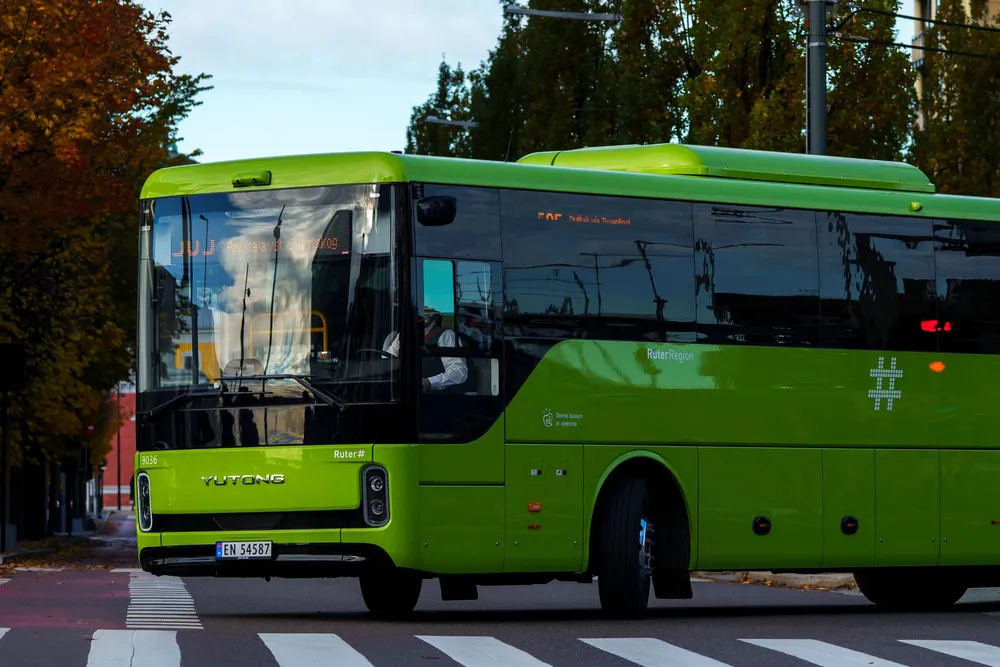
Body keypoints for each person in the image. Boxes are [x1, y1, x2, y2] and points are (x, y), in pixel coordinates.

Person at [382, 306, 467, 392]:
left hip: (431, 396)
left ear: (435, 317)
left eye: (427, 313)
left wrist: (429, 382)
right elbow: (387, 360)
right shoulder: (402, 336)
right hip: (401, 391)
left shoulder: (446, 335)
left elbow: (459, 372)